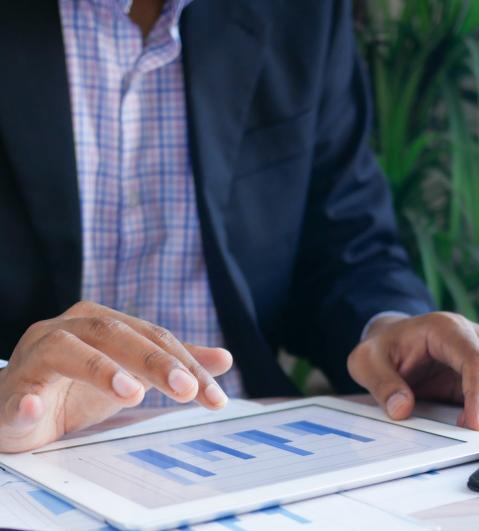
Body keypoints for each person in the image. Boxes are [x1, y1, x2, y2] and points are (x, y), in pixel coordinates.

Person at [0, 0, 477, 453]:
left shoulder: (302, 11)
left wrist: (389, 327)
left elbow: (344, 242)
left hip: (244, 446)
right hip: (25, 456)